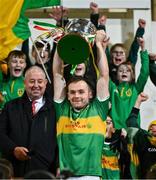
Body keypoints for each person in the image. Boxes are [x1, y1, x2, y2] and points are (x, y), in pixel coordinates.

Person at [53, 30, 110, 179]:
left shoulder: (98, 109)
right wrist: (61, 46)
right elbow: (57, 74)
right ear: (67, 95)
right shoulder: (62, 109)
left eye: (80, 92)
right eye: (72, 92)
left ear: (90, 94)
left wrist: (98, 44)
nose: (76, 96)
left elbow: (104, 76)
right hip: (66, 176)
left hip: (91, 176)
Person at [0, 66, 57, 177]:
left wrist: (58, 166)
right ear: (24, 83)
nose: (36, 85)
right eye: (31, 81)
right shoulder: (10, 107)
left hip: (46, 173)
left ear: (45, 83)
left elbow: (61, 141)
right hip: (15, 172)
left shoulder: (55, 109)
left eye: (40, 81)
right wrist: (13, 149)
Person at [109, 37, 149, 129]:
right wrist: (101, 48)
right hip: (115, 130)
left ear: (133, 75)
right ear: (116, 75)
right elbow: (103, 73)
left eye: (128, 70)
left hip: (132, 129)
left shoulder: (136, 88)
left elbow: (145, 73)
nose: (124, 72)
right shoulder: (112, 88)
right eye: (121, 71)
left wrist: (143, 49)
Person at [126, 92, 156, 178]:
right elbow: (131, 123)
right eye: (151, 127)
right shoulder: (143, 139)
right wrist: (138, 101)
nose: (153, 129)